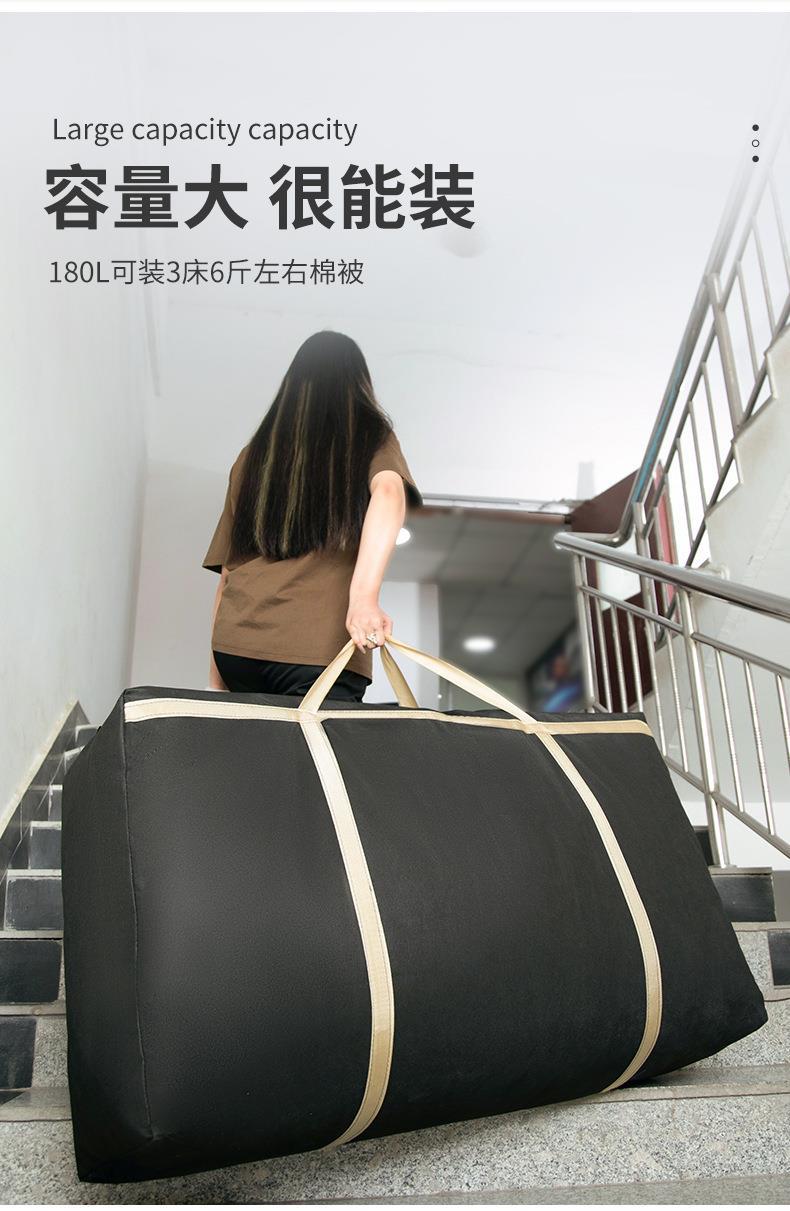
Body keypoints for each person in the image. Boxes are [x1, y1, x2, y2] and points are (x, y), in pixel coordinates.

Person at [202, 330, 422, 701]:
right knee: (317, 742)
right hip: (318, 653)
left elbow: (228, 573)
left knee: (255, 741)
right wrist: (363, 598)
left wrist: (215, 681)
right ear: (358, 384)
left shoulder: (252, 456)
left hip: (237, 649)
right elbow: (388, 493)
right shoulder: (369, 436)